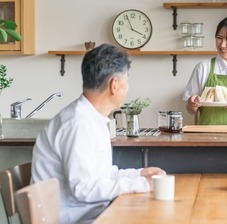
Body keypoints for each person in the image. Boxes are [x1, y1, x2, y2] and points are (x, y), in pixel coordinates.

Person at [31, 44, 166, 224]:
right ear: (114, 85)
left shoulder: (90, 118)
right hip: (72, 219)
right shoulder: (78, 124)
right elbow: (83, 188)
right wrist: (141, 184)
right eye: (127, 80)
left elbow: (100, 176)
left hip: (88, 214)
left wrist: (139, 174)